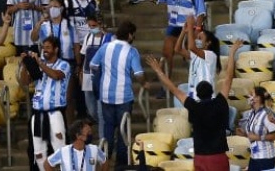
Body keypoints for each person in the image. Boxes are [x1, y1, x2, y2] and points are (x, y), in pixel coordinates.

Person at [147, 38, 239, 171]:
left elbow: (173, 88)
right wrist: (231, 53)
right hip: (218, 157)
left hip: (201, 157)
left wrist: (158, 70)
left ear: (198, 94)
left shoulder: (194, 106)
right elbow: (228, 78)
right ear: (211, 92)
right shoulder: (220, 102)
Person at [89, 20, 148, 167]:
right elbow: (139, 73)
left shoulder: (105, 47)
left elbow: (93, 65)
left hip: (106, 96)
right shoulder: (131, 51)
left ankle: (105, 163)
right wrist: (144, 84)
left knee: (108, 129)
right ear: (129, 35)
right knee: (123, 133)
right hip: (124, 97)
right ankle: (121, 165)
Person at [20, 36, 71, 171]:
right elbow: (25, 82)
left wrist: (40, 63)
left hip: (55, 113)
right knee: (38, 152)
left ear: (56, 49)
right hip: (38, 114)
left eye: (48, 47)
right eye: (43, 47)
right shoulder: (38, 65)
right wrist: (25, 65)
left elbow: (56, 75)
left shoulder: (64, 64)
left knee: (60, 149)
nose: (44, 50)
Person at [156, 0, 207, 80]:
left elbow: (201, 12)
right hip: (174, 26)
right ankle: (166, 84)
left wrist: (197, 29)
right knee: (167, 52)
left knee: (193, 53)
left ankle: (197, 79)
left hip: (190, 27)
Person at [79, 15, 110, 139]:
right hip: (87, 75)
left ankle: (106, 131)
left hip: (101, 77)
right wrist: (81, 72)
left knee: (100, 108)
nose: (92, 28)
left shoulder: (107, 38)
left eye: (94, 26)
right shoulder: (88, 37)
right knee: (91, 109)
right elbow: (84, 56)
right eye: (90, 26)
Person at [174, 15, 220, 98]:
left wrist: (191, 27)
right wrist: (184, 31)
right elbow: (178, 49)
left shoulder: (211, 55)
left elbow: (191, 47)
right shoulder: (196, 55)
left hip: (207, 98)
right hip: (194, 97)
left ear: (208, 43)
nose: (197, 40)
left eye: (200, 38)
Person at [237, 86, 275, 171]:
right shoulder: (251, 113)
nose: (249, 97)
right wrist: (245, 134)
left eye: (251, 95)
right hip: (254, 156)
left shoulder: (267, 114)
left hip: (265, 158)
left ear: (257, 98)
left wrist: (258, 137)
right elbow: (253, 135)